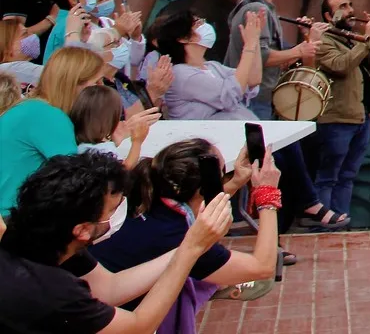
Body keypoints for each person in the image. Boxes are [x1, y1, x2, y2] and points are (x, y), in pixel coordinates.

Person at [0, 152, 232, 334]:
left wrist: (185, 248)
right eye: (112, 210)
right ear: (82, 230)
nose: (119, 212)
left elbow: (108, 288)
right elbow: (138, 327)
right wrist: (191, 249)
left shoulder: (42, 235)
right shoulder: (55, 292)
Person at [150, 8, 326, 229]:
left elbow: (252, 79)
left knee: (286, 148)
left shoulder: (211, 67)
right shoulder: (182, 74)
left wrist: (252, 43)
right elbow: (232, 91)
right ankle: (302, 210)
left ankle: (304, 208)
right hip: (207, 148)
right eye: (197, 23)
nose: (204, 25)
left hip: (233, 139)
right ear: (183, 38)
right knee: (275, 161)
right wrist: (250, 46)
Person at [92, 140, 285, 332]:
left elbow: (195, 203)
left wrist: (233, 183)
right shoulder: (177, 235)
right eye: (222, 172)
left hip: (101, 298)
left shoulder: (147, 194)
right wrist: (267, 194)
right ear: (206, 187)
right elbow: (263, 267)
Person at [310, 0, 370, 227]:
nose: (350, 10)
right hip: (336, 119)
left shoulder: (353, 40)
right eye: (342, 7)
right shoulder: (324, 40)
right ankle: (324, 226)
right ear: (328, 16)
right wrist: (367, 40)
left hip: (360, 116)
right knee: (328, 177)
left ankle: (341, 221)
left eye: (350, 4)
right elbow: (341, 65)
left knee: (348, 176)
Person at [0, 44, 102, 216]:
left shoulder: (34, 107)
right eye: (96, 84)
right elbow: (79, 182)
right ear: (73, 84)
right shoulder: (48, 115)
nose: (102, 89)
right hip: (10, 220)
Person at [223, 0, 323, 120]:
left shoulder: (266, 9)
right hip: (252, 99)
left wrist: (307, 39)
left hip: (260, 98)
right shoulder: (255, 9)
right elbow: (261, 56)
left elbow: (278, 55)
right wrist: (299, 51)